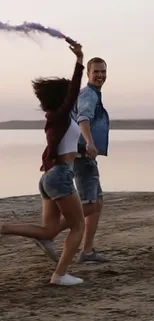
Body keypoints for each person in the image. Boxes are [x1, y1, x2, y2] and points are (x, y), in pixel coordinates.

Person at [0, 41, 85, 286]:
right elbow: (73, 94)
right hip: (59, 177)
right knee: (78, 225)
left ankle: (4, 227)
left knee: (49, 230)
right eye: (69, 94)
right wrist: (79, 60)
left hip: (51, 176)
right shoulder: (59, 116)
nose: (73, 96)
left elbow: (55, 145)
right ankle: (60, 275)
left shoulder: (59, 119)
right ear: (62, 98)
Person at [38, 57, 110, 264]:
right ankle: (48, 234)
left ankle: (87, 251)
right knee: (91, 204)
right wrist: (89, 143)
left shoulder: (91, 94)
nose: (100, 75)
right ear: (88, 74)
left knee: (98, 202)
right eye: (96, 72)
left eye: (103, 72)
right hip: (82, 155)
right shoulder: (88, 95)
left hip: (84, 155)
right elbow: (83, 119)